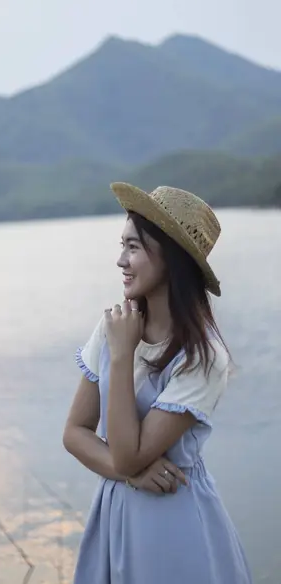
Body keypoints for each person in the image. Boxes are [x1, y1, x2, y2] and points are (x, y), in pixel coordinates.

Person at [63, 183, 252, 583]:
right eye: (122, 245)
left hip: (174, 520)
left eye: (133, 247)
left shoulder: (202, 356)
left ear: (171, 257)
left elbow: (128, 454)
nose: (120, 260)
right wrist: (127, 475)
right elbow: (75, 433)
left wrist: (120, 357)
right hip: (116, 512)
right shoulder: (114, 326)